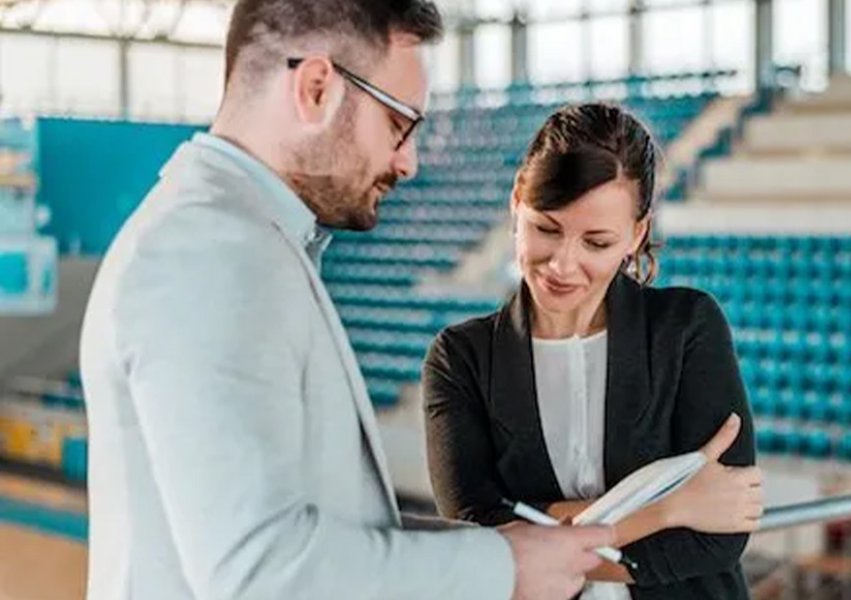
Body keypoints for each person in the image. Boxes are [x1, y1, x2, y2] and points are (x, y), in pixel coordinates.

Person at [78, 1, 611, 598]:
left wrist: (510, 550)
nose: (407, 162)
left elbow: (314, 533)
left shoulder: (238, 239)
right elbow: (261, 576)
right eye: (399, 124)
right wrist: (504, 570)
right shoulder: (210, 253)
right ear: (315, 89)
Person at [422, 103, 764, 599]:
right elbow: (479, 535)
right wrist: (668, 509)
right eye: (546, 229)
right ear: (517, 201)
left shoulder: (686, 327)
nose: (563, 264)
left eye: (596, 242)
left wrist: (538, 539)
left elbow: (720, 536)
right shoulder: (461, 358)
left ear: (636, 235)